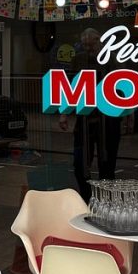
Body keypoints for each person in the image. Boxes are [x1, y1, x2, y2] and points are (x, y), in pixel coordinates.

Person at [57, 27, 122, 200]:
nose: (88, 49)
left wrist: (129, 116)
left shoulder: (111, 58)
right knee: (80, 163)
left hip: (108, 118)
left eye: (91, 44)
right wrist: (64, 113)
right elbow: (71, 87)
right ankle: (87, 197)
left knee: (107, 163)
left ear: (99, 40)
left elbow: (122, 86)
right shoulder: (79, 59)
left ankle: (104, 199)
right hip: (85, 117)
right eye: (85, 45)